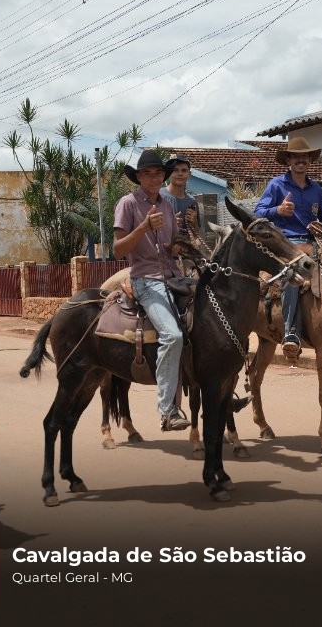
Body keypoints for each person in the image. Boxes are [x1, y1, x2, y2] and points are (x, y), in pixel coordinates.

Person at [113, 149, 191, 432]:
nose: (155, 178)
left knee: (213, 318)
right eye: (148, 174)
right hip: (146, 280)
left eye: (158, 173)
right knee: (173, 335)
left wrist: (181, 245)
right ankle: (168, 411)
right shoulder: (128, 204)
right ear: (138, 177)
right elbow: (118, 249)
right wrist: (144, 227)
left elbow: (172, 247)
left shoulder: (167, 206)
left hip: (175, 276)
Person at [254, 137, 322, 363]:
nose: (301, 160)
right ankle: (291, 332)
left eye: (305, 157)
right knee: (292, 276)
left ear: (310, 160)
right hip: (285, 243)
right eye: (296, 157)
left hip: (314, 243)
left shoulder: (316, 188)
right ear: (288, 160)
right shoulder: (276, 185)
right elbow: (257, 212)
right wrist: (278, 210)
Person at [162, 155, 201, 243]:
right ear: (168, 173)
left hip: (185, 250)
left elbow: (196, 237)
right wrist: (169, 225)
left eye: (184, 170)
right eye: (175, 170)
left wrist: (194, 222)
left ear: (189, 174)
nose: (180, 174)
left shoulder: (192, 201)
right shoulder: (158, 197)